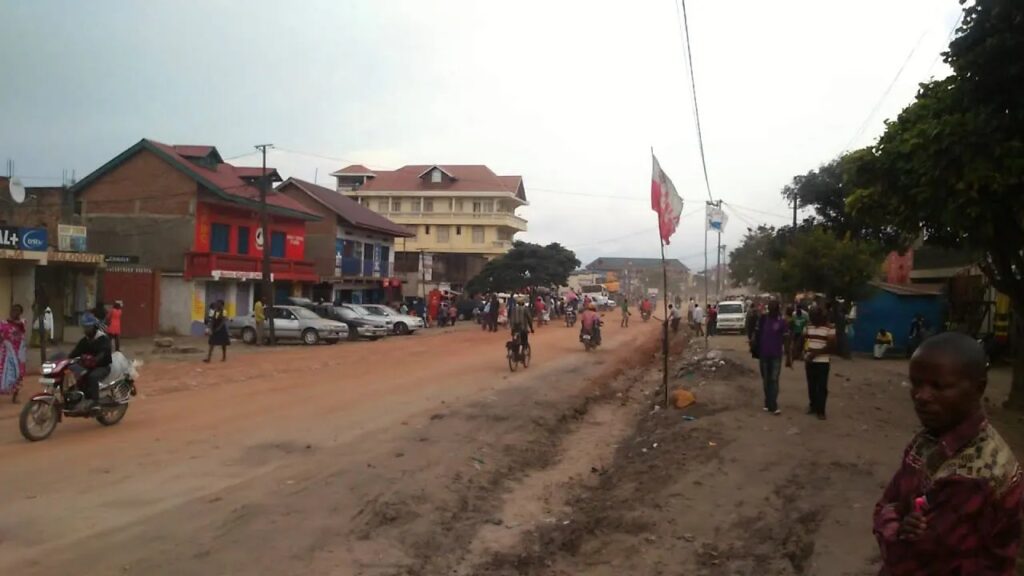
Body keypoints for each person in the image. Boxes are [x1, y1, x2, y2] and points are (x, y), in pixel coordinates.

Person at [874, 333, 1023, 574]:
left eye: (938, 386)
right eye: (916, 384)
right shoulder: (930, 438)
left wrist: (891, 520)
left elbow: (905, 557)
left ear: (978, 388)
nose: (921, 396)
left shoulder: (976, 473)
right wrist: (897, 520)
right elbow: (887, 502)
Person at [69, 313, 113, 413]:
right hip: (88, 366)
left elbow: (104, 352)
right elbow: (75, 352)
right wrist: (65, 359)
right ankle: (79, 397)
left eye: (88, 327)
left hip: (103, 366)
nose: (86, 330)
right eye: (85, 327)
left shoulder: (103, 339)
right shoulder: (84, 341)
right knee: (75, 374)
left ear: (94, 327)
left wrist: (96, 359)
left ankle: (95, 402)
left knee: (92, 377)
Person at [753, 300, 791, 415]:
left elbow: (786, 339)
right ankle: (768, 401)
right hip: (764, 355)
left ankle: (773, 404)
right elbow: (756, 334)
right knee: (766, 380)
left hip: (776, 355)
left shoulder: (782, 322)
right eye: (771, 308)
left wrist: (789, 355)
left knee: (774, 380)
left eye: (774, 308)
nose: (773, 310)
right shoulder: (763, 319)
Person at [804, 307, 836, 420]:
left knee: (821, 387)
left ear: (820, 316)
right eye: (811, 317)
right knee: (811, 386)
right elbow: (805, 340)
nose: (812, 319)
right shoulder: (809, 326)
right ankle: (813, 406)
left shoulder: (829, 328)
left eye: (813, 317)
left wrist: (815, 354)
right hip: (809, 361)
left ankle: (821, 411)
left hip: (823, 362)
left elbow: (831, 346)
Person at [0, 304, 27, 403]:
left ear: (20, 313)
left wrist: (8, 321)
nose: (14, 312)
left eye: (17, 311)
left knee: (19, 374)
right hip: (6, 351)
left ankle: (15, 396)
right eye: (13, 310)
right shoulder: (3, 324)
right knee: (2, 372)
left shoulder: (22, 322)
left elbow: (20, 325)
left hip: (19, 352)